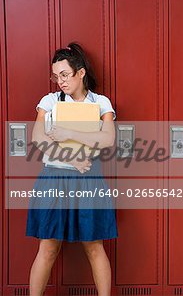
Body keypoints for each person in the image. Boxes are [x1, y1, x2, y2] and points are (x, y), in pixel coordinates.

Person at [26, 42, 117, 296]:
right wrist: (73, 158)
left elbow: (107, 139)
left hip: (89, 180)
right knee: (48, 248)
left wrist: (67, 132)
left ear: (81, 72)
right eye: (56, 77)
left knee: (94, 246)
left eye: (65, 75)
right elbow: (39, 138)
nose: (60, 81)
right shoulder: (50, 101)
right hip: (54, 179)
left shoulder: (101, 103)